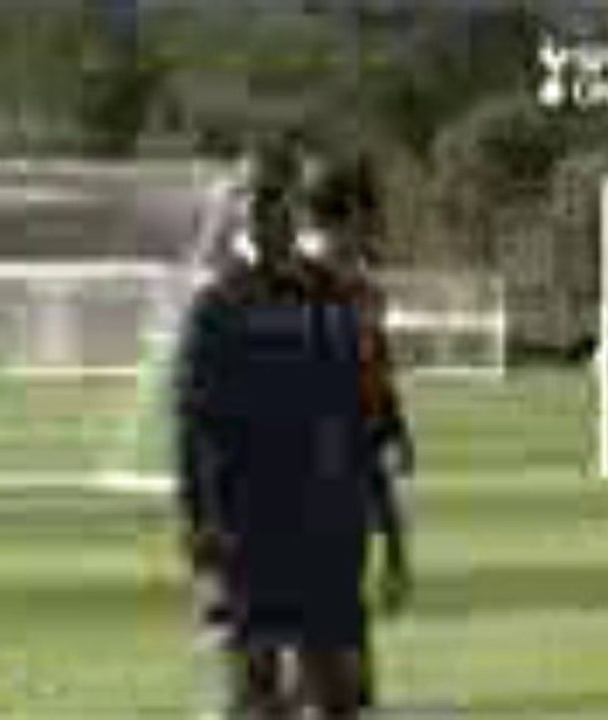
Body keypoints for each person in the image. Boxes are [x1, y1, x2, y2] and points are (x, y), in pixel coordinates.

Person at [173, 134, 373, 719]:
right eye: (250, 201)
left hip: (322, 529)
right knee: (255, 692)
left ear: (295, 205)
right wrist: (199, 532)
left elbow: (351, 413)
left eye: (272, 198)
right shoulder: (217, 306)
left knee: (338, 692)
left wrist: (368, 520)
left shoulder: (329, 296)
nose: (261, 213)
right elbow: (193, 427)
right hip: (245, 531)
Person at [300, 152, 415, 713]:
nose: (379, 227)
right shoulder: (292, 290)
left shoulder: (364, 290)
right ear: (349, 216)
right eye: (373, 215)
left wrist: (395, 426)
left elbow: (375, 380)